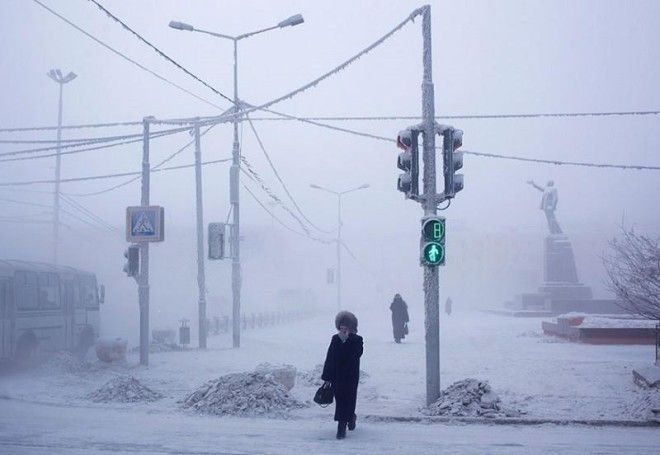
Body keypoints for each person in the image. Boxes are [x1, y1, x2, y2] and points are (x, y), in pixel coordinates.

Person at [321, 311, 363, 440]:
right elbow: (330, 357)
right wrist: (327, 377)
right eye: (341, 328)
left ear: (351, 328)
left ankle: (349, 419)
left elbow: (357, 354)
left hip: (351, 376)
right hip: (337, 376)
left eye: (346, 328)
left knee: (349, 399)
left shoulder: (357, 339)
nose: (343, 330)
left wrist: (348, 341)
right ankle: (341, 426)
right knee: (340, 400)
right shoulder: (335, 339)